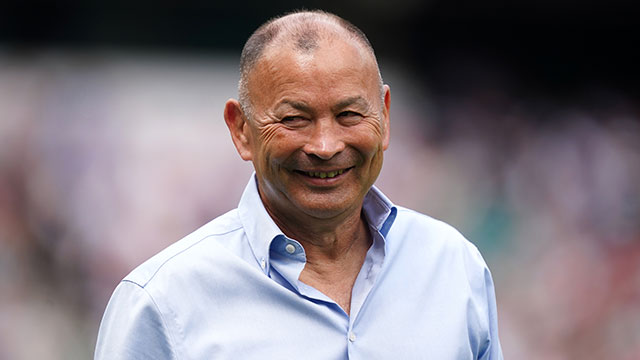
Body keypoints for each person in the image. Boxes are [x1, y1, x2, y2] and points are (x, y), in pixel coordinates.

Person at [95, 10, 503, 359]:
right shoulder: (161, 303)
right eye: (294, 119)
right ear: (241, 130)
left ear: (385, 116)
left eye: (348, 115)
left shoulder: (453, 267)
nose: (325, 146)